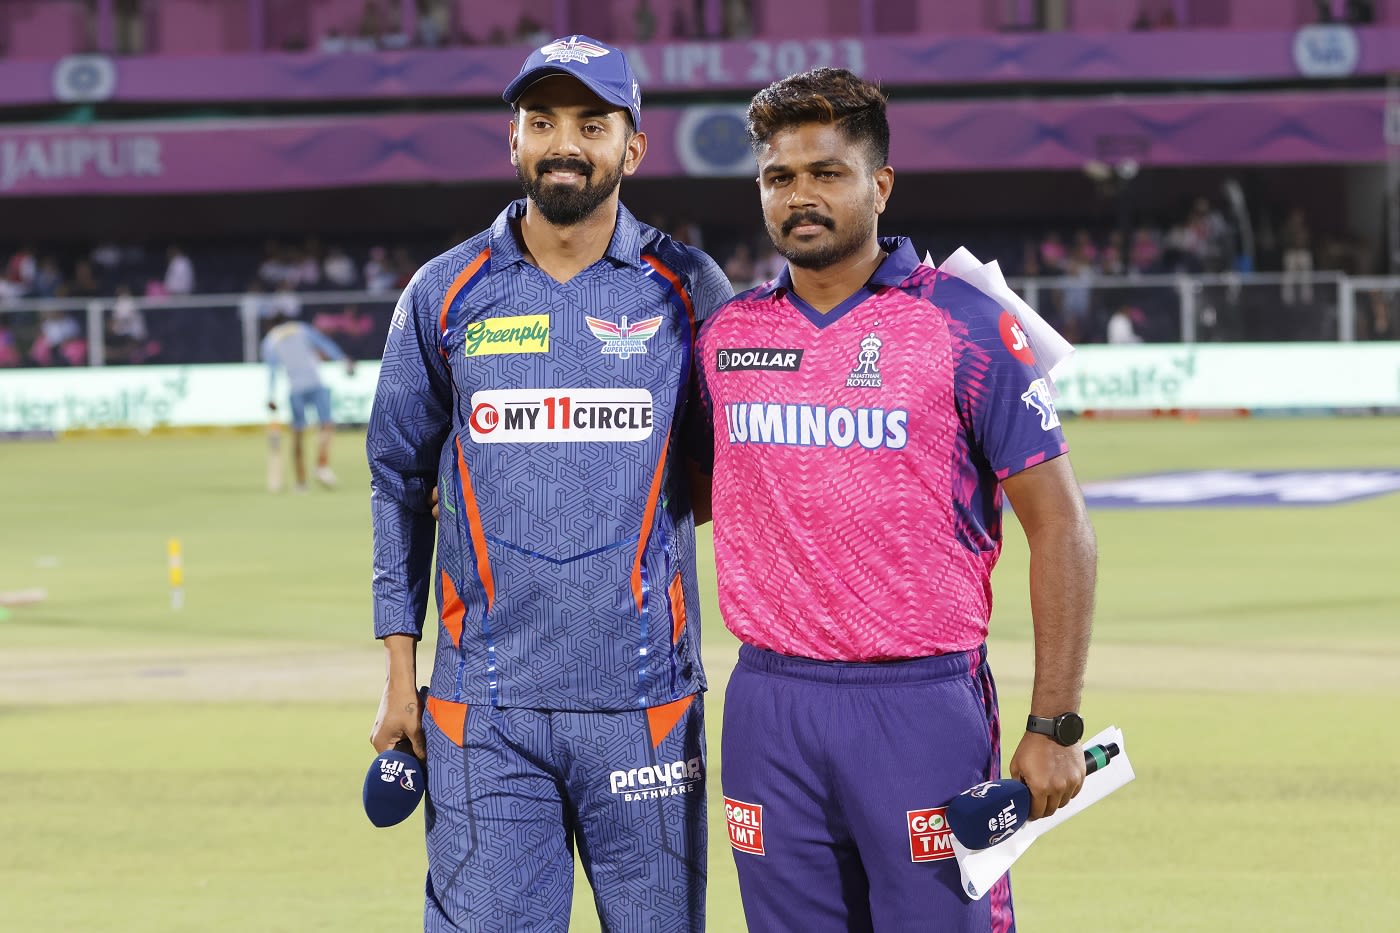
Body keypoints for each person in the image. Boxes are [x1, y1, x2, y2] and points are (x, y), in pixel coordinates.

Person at [693, 68, 1098, 933]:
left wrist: (1055, 721)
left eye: (827, 172)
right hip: (769, 703)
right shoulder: (728, 335)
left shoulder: (967, 324)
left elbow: (1061, 526)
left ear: (879, 184)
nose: (800, 195)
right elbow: (683, 492)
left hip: (919, 703)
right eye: (779, 177)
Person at [366, 35, 732, 933]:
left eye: (591, 123)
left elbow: (734, 476)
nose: (564, 141)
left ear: (632, 146)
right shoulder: (445, 291)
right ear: (515, 141)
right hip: (479, 711)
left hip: (647, 704)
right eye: (542, 122)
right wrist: (397, 672)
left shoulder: (687, 289)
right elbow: (398, 481)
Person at [261, 314, 352, 492]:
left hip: (296, 389)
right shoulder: (301, 329)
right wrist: (343, 359)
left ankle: (301, 482)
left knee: (298, 433)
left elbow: (272, 370)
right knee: (326, 425)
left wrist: (271, 396)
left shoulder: (270, 341)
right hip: (315, 383)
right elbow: (325, 345)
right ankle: (322, 465)